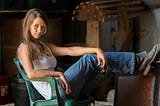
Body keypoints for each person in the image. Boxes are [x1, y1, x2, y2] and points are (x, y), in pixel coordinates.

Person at [17, 8, 159, 101]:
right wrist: (58, 74)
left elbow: (70, 51)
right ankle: (141, 61)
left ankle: (140, 64)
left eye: (42, 27)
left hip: (66, 87)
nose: (40, 30)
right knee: (89, 60)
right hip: (56, 91)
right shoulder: (24, 48)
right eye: (36, 26)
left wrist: (96, 49)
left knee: (101, 65)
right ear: (28, 26)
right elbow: (31, 74)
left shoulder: (44, 46)